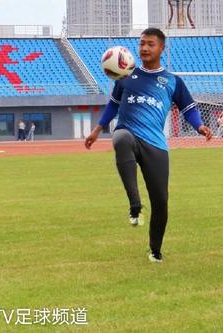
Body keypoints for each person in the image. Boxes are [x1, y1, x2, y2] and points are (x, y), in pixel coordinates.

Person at [84, 28, 212, 263]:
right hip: (129, 133)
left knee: (161, 202)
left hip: (155, 144)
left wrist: (200, 126)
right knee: (120, 139)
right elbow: (113, 105)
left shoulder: (173, 81)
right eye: (141, 43)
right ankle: (135, 205)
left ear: (161, 48)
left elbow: (189, 108)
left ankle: (155, 250)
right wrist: (97, 129)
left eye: (150, 44)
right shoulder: (125, 75)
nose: (144, 48)